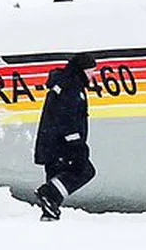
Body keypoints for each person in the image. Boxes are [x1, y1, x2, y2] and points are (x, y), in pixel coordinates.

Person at [34, 54, 98, 220]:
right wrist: (77, 144)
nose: (93, 75)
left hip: (51, 143)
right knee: (84, 170)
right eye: (91, 71)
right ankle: (48, 194)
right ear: (82, 70)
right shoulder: (71, 87)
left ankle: (49, 215)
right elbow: (67, 117)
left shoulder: (63, 84)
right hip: (62, 144)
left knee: (56, 176)